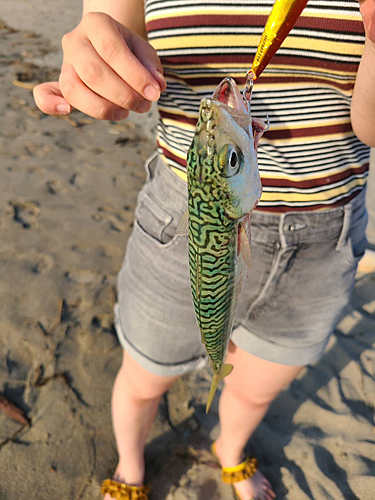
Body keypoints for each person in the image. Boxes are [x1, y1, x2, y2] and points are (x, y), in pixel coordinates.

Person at [33, 1, 375, 499]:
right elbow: (111, 44)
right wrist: (96, 62)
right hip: (181, 229)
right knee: (145, 375)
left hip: (324, 237)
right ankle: (131, 466)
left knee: (256, 386)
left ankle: (230, 450)